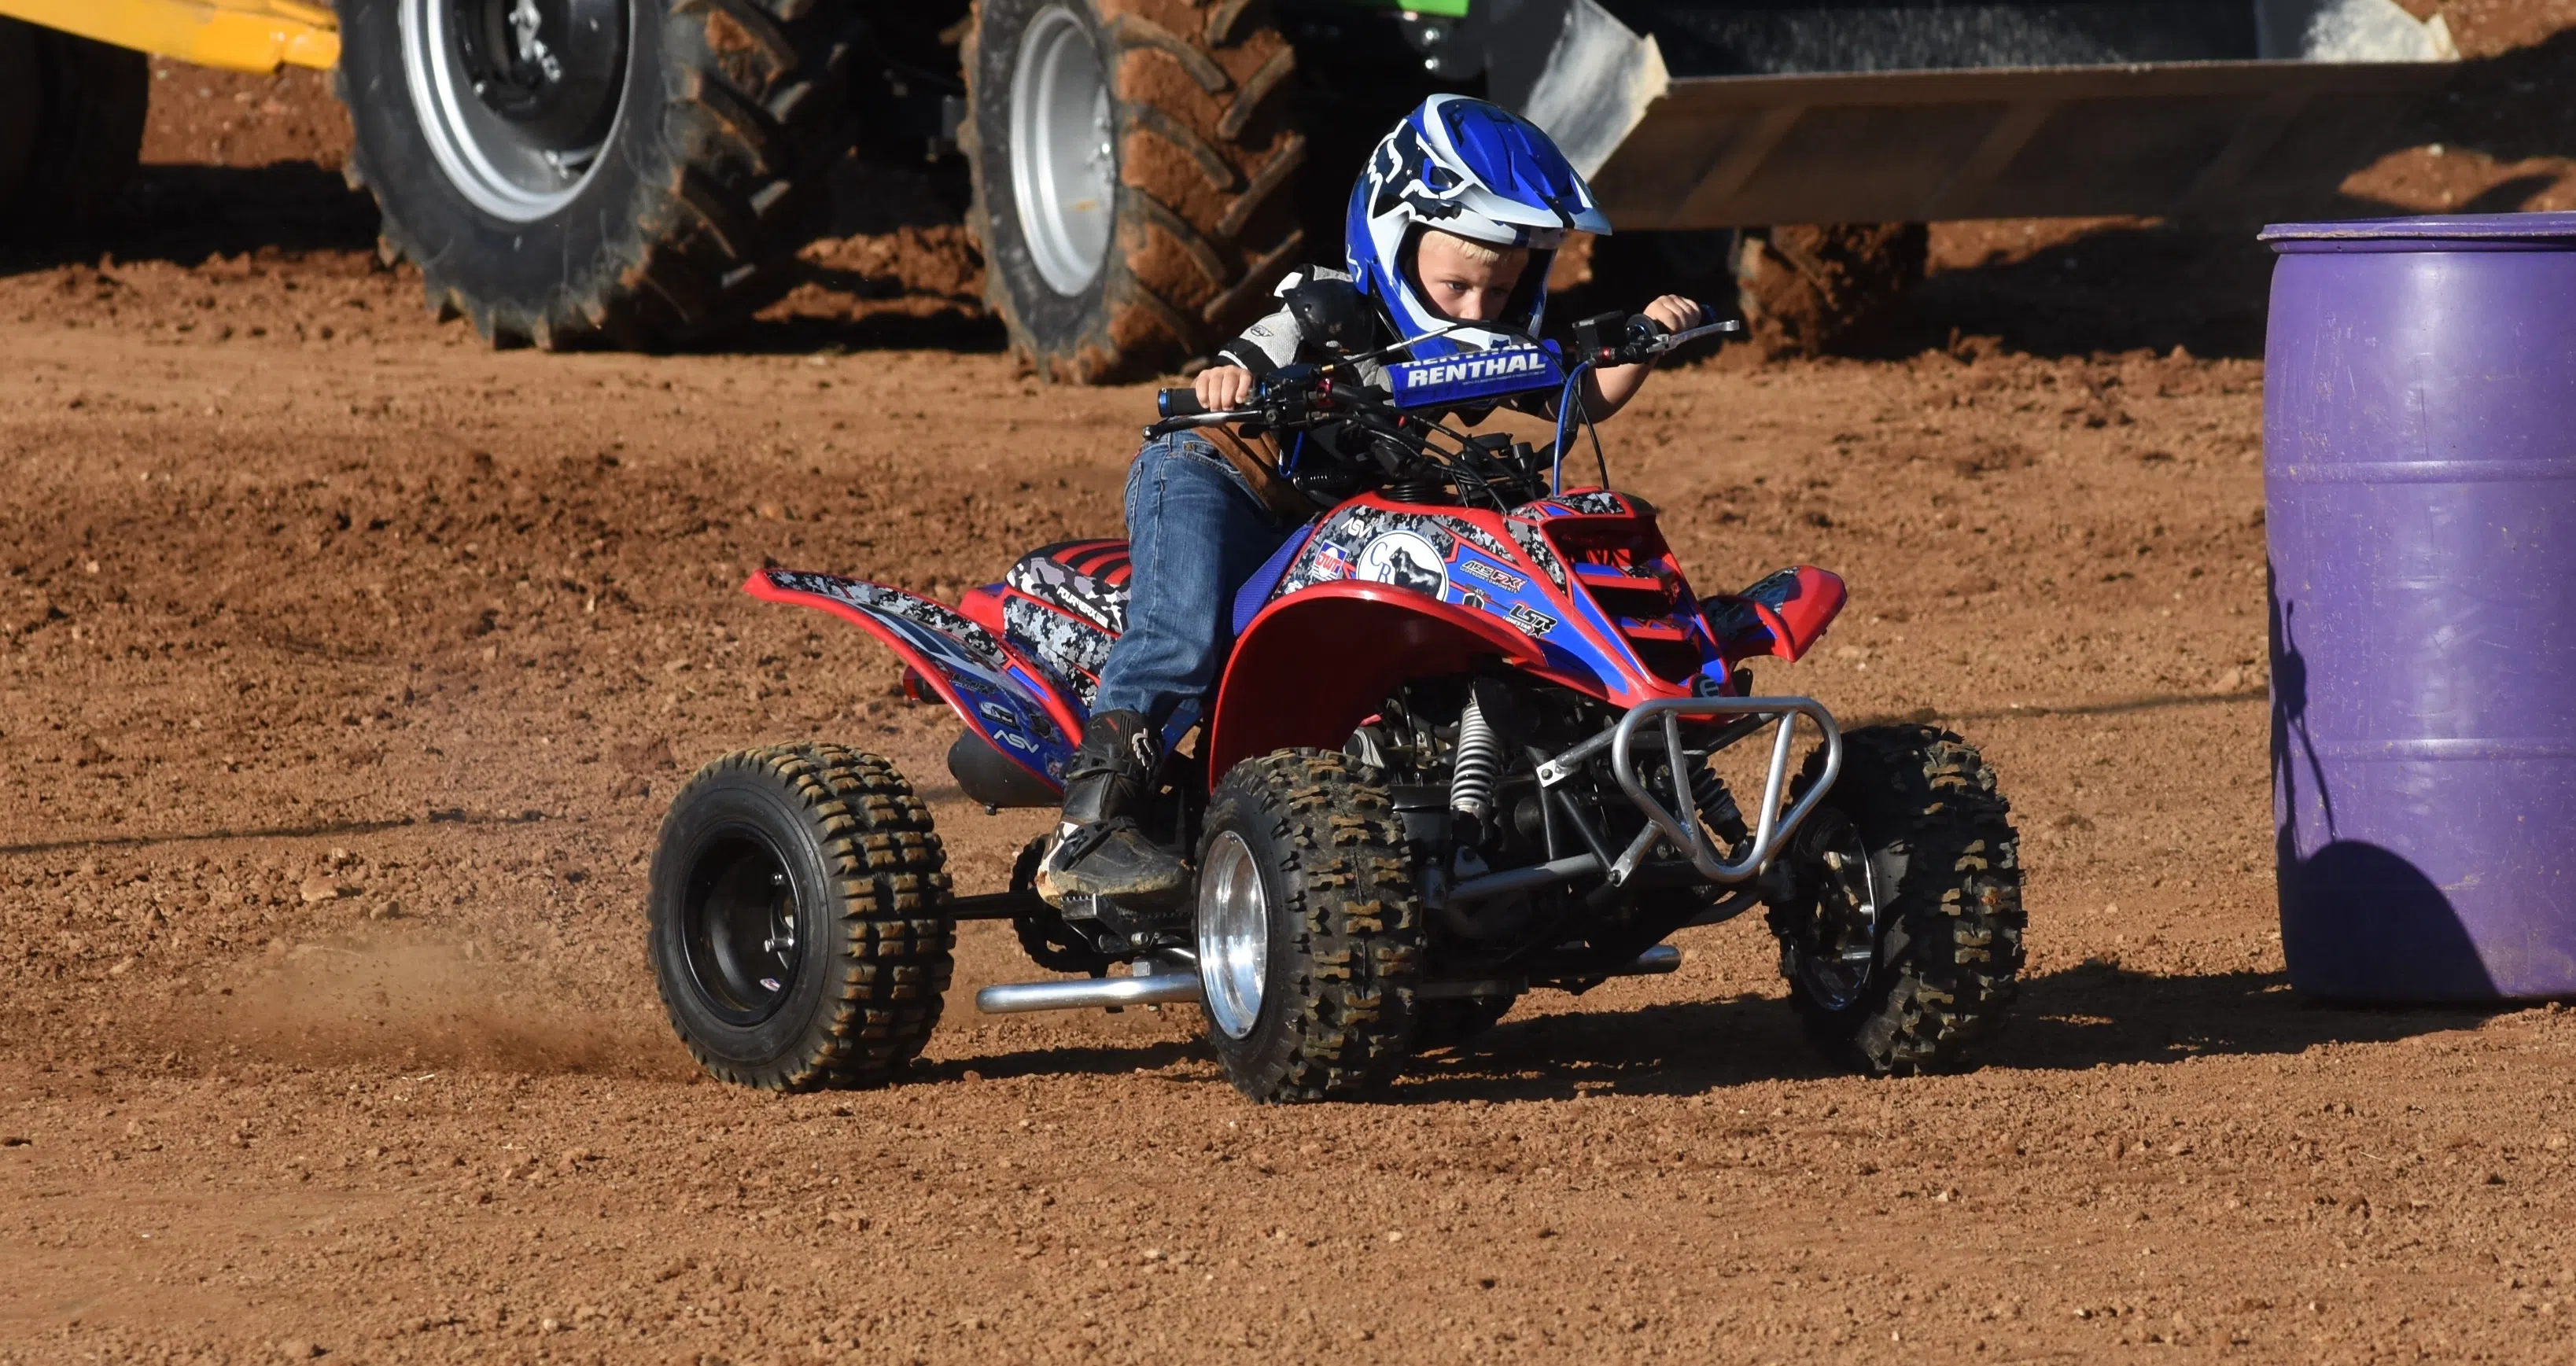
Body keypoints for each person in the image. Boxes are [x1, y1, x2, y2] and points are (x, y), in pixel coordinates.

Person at [1034, 94, 1709, 908]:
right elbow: (1233, 375)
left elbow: (1577, 396)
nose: (1474, 311)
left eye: (1496, 295)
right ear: (1394, 239)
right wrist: (1234, 381)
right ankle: (1088, 833)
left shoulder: (1471, 342)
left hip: (1334, 512)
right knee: (1182, 633)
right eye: (1456, 285)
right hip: (1217, 474)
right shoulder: (1323, 308)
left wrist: (1640, 341)